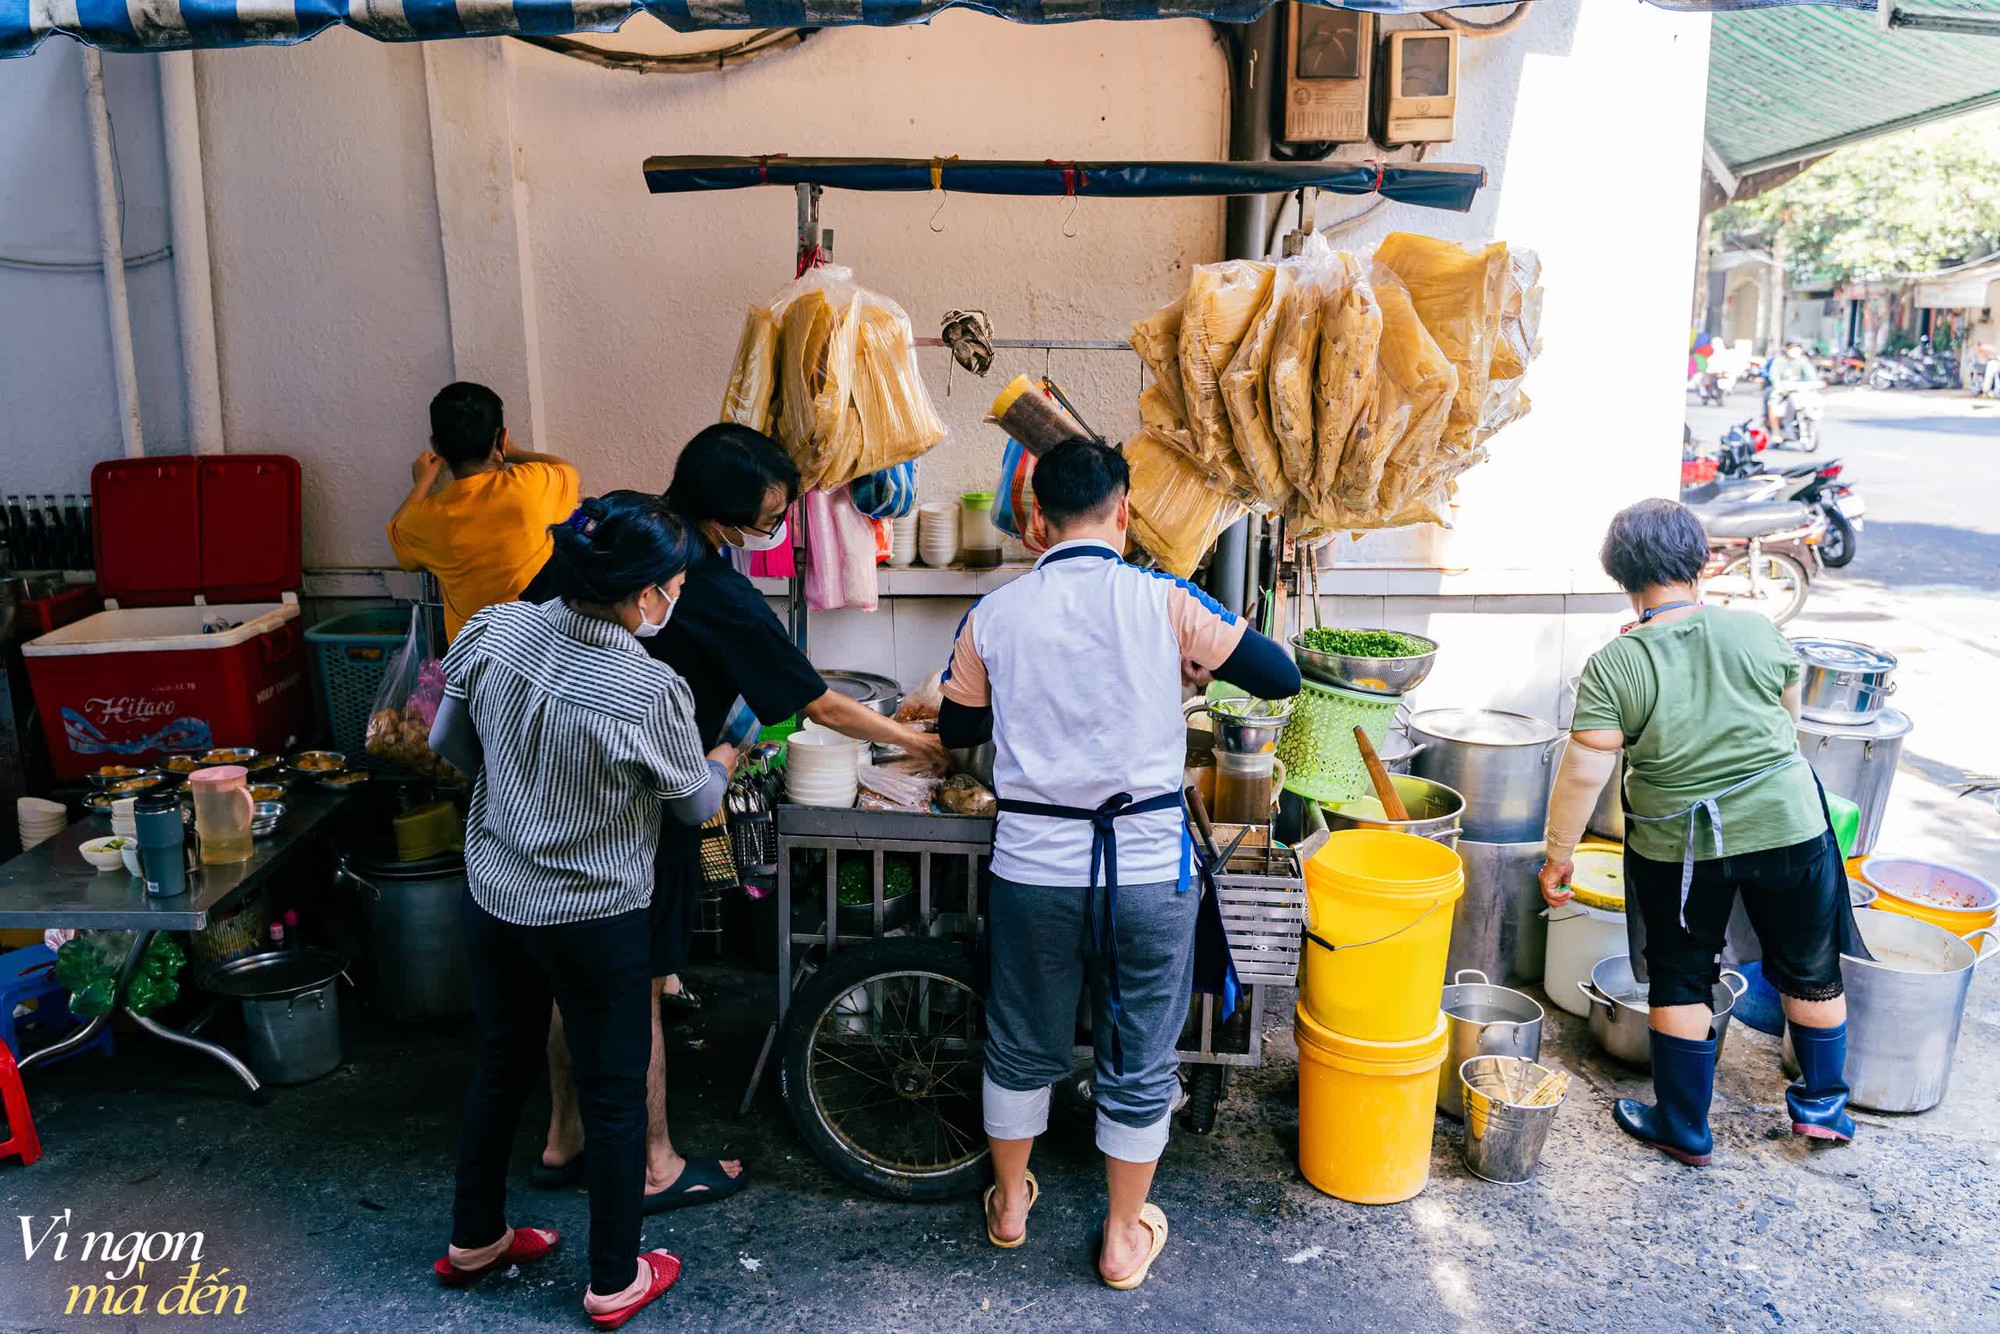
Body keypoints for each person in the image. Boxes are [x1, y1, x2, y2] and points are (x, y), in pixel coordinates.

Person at [518, 423, 946, 1211]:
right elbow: (811, 701)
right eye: (771, 516)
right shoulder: (706, 585)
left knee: (570, 974)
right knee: (638, 979)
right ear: (728, 512)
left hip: (542, 801)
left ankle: (563, 1138)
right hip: (635, 812)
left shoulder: (616, 524)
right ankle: (653, 1165)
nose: (775, 529)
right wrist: (910, 740)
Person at [935, 438, 1300, 1289]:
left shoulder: (995, 614)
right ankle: (1122, 1235)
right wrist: (1180, 661)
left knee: (1021, 1042)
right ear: (1125, 513)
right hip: (1145, 871)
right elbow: (1277, 675)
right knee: (1140, 1055)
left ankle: (1012, 1204)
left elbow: (957, 734)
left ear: (1035, 522)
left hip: (1033, 871)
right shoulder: (1163, 598)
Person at [429, 491, 735, 1328]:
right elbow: (691, 807)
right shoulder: (648, 690)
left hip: (495, 896)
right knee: (611, 1091)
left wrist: (514, 797)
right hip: (595, 916)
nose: (674, 600)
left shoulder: (495, 628)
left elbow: (446, 746)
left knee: (501, 1061)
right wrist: (729, 750)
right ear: (644, 597)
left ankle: (475, 1240)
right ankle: (612, 1279)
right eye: (671, 587)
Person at [1538, 498, 1864, 1167]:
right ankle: (1823, 1109)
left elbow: (1583, 774)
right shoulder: (1758, 631)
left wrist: (1558, 855)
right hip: (1792, 826)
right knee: (1812, 970)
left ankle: (1685, 1128)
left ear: (1620, 575)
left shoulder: (1617, 664)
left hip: (1682, 849)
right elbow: (1787, 721)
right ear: (1700, 562)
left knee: (1682, 980)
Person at [388, 381, 580, 641]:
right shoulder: (532, 484)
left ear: (436, 446)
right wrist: (511, 453)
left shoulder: (427, 517)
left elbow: (397, 532)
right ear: (500, 437)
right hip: (541, 647)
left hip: (475, 658)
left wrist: (424, 480)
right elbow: (566, 470)